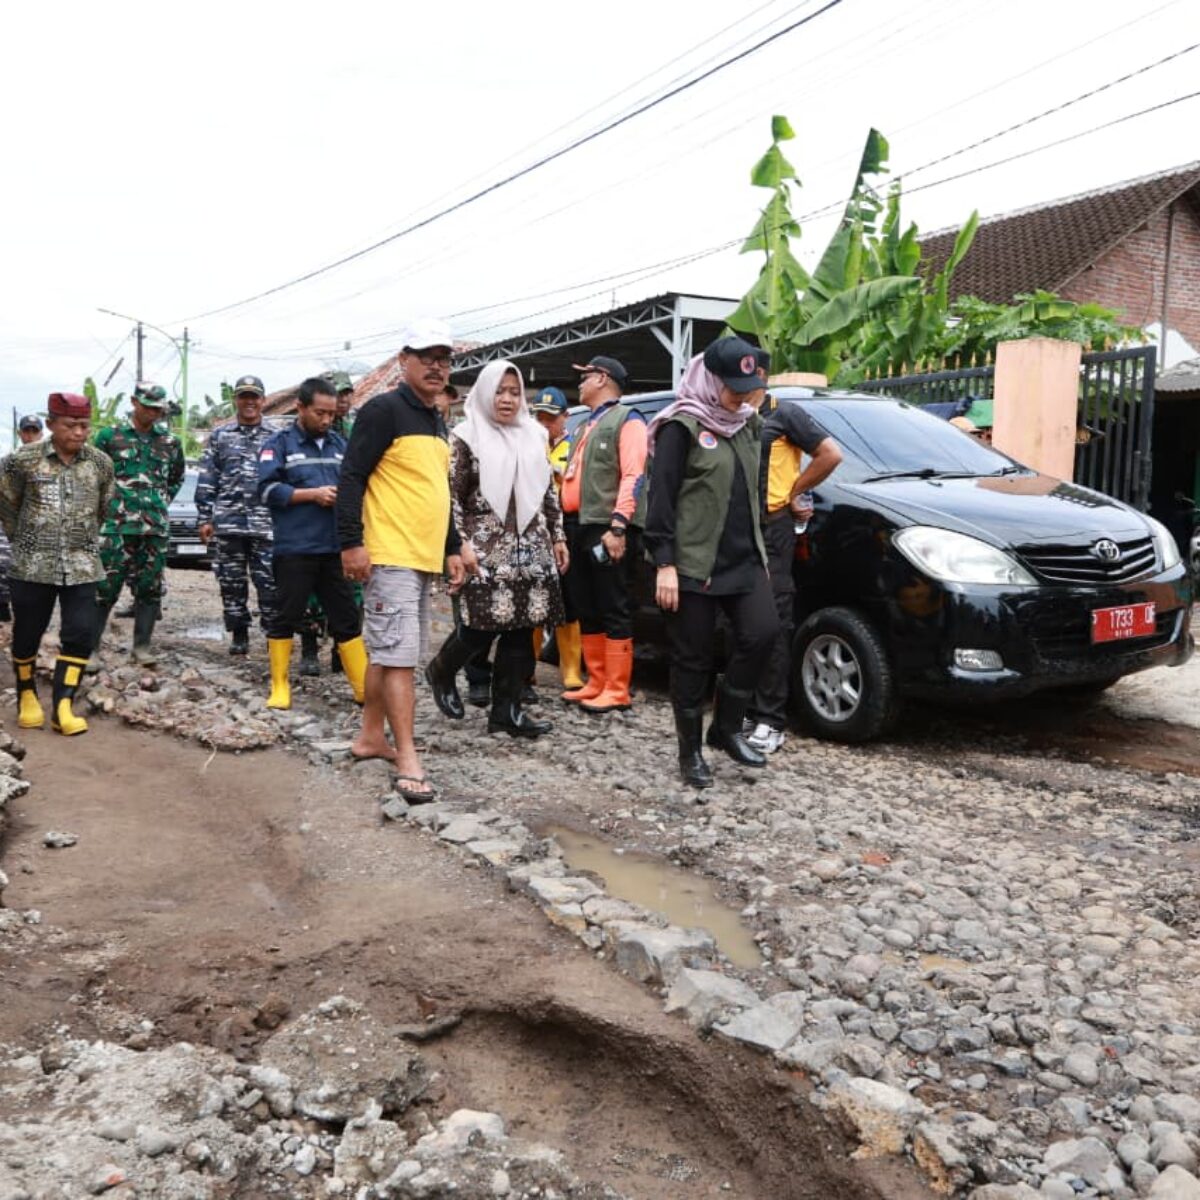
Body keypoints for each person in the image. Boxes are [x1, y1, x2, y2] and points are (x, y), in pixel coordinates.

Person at [337, 320, 465, 802]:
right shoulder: (383, 410)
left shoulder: (435, 418)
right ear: (403, 360)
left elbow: (438, 492)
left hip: (421, 555)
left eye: (444, 358)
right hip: (389, 553)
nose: (437, 366)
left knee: (388, 652)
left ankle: (371, 736)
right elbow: (351, 477)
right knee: (402, 660)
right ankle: (408, 755)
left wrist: (452, 546)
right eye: (426, 356)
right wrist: (351, 542)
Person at [644, 338, 779, 789]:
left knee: (762, 634)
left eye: (747, 386)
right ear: (710, 379)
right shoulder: (679, 427)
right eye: (733, 386)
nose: (742, 396)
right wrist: (664, 561)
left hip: (743, 559)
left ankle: (726, 728)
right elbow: (660, 498)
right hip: (692, 563)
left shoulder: (747, 424)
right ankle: (690, 752)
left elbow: (753, 489)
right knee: (692, 658)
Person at [425, 361, 568, 738]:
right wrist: (458, 545)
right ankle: (441, 670)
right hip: (484, 547)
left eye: (514, 392)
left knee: (522, 631)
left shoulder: (535, 434)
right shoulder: (465, 436)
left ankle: (507, 712)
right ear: (485, 392)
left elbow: (547, 492)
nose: (507, 399)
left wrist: (558, 536)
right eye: (499, 391)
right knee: (479, 627)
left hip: (532, 546)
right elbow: (451, 497)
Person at [0, 392, 115, 735]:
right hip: (32, 565)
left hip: (82, 565)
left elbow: (102, 507)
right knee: (27, 634)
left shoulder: (100, 463)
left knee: (80, 634)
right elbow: (7, 507)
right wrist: (30, 541)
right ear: (51, 425)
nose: (79, 433)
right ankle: (26, 695)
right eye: (70, 425)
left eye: (84, 426)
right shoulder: (21, 461)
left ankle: (63, 705)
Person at [744, 367, 842, 754]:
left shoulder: (785, 414)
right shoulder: (732, 415)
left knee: (773, 619)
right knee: (743, 621)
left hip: (773, 528)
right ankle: (747, 710)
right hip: (739, 531)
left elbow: (830, 454)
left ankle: (771, 718)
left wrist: (794, 491)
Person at [256, 376, 368, 710]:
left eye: (331, 414)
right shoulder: (278, 445)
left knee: (346, 617)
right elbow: (265, 491)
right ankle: (279, 685)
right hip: (295, 548)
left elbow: (356, 486)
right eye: (320, 413)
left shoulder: (339, 445)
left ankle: (362, 688)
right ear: (301, 408)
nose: (326, 420)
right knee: (286, 616)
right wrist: (311, 495)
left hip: (335, 549)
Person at [559, 355, 647, 713]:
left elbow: (633, 474)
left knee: (614, 604)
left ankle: (617, 686)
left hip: (607, 526)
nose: (580, 383)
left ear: (603, 378)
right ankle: (596, 680)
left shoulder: (628, 420)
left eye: (585, 377)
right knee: (587, 604)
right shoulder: (585, 425)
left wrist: (618, 526)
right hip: (578, 524)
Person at [89, 382, 186, 670]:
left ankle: (141, 648)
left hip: (154, 528)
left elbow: (176, 478)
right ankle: (90, 650)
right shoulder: (109, 437)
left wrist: (158, 502)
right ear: (134, 402)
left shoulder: (169, 441)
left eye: (158, 408)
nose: (153, 413)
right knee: (104, 587)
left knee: (150, 587)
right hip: (116, 527)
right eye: (148, 407)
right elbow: (93, 475)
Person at [195, 374, 278, 654]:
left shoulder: (276, 437)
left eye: (254, 397)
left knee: (269, 584)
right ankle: (239, 634)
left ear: (263, 400)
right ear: (236, 400)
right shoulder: (221, 436)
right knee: (231, 584)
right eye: (244, 396)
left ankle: (273, 637)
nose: (249, 402)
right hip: (228, 523)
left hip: (266, 524)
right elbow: (208, 478)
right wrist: (204, 517)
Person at [529, 384, 583, 691]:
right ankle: (527, 667)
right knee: (531, 602)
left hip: (565, 530)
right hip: (531, 533)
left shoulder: (573, 448)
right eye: (540, 417)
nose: (545, 424)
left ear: (565, 417)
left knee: (567, 601)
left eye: (551, 418)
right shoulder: (527, 446)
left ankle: (571, 670)